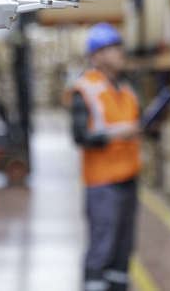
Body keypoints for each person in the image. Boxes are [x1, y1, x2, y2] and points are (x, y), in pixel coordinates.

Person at [67, 23, 142, 291]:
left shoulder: (126, 89)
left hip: (129, 177)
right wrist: (119, 134)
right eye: (112, 48)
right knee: (102, 249)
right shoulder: (84, 89)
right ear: (96, 56)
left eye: (120, 47)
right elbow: (79, 136)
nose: (120, 52)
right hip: (103, 184)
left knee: (123, 250)